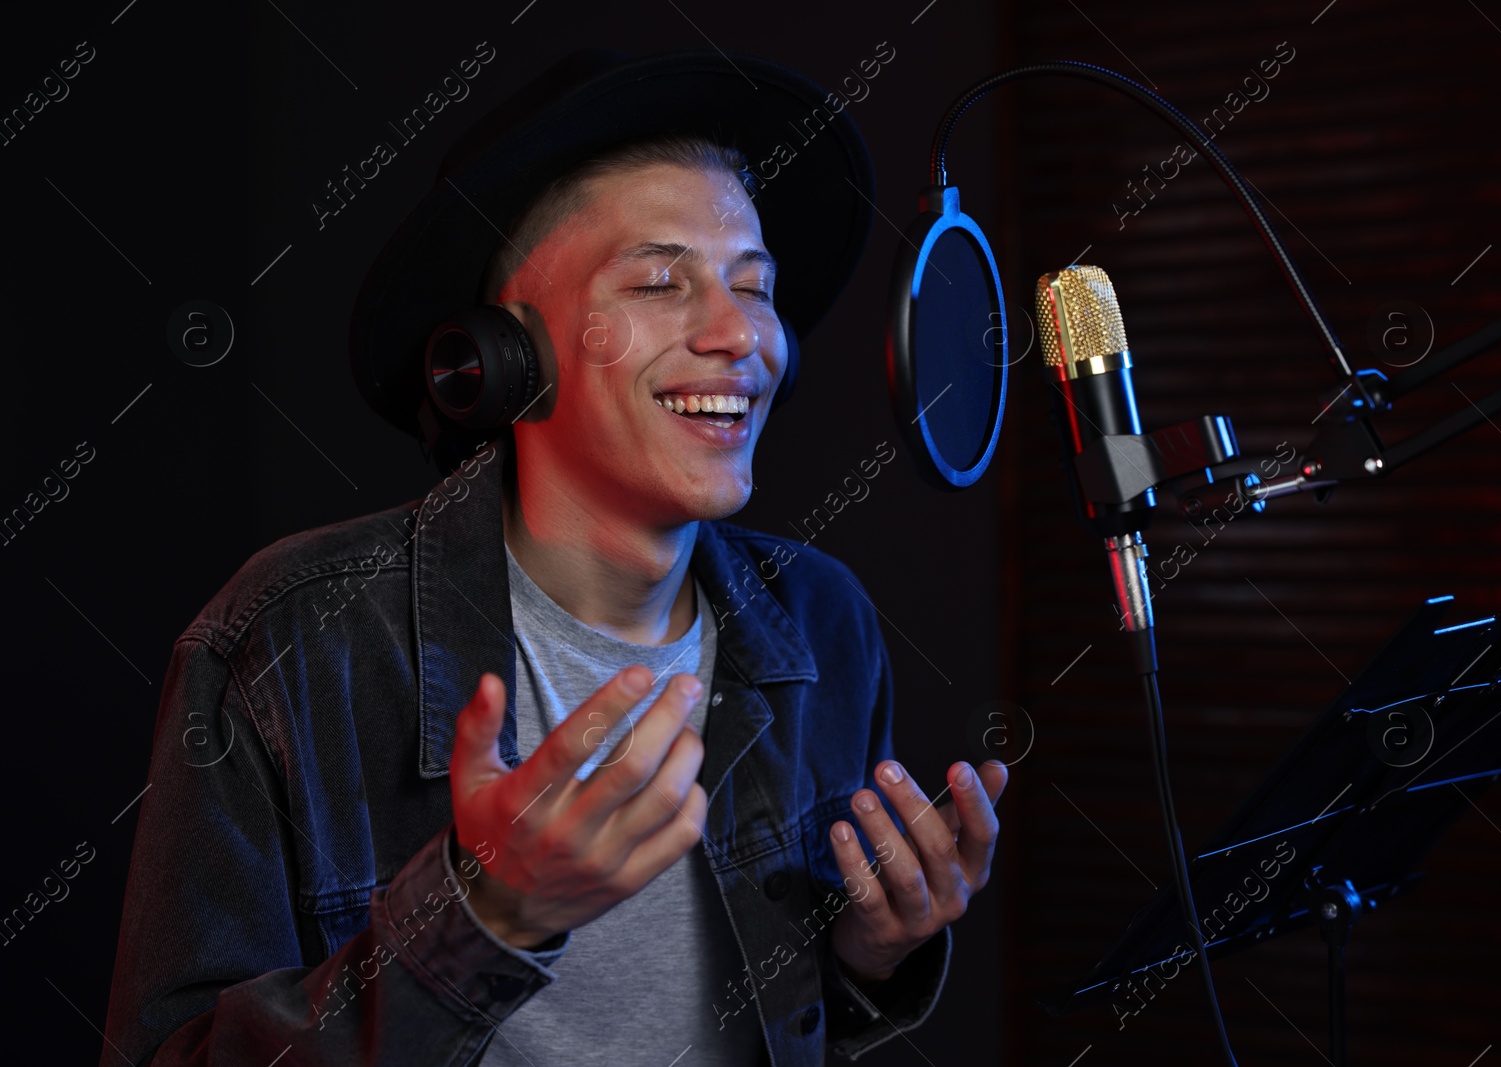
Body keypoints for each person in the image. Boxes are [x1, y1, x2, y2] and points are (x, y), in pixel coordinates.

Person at [101, 47, 1005, 1067]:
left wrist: (866, 954)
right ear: (498, 358)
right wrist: (481, 914)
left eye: (755, 286)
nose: (738, 334)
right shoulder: (286, 641)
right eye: (662, 281)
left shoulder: (821, 621)